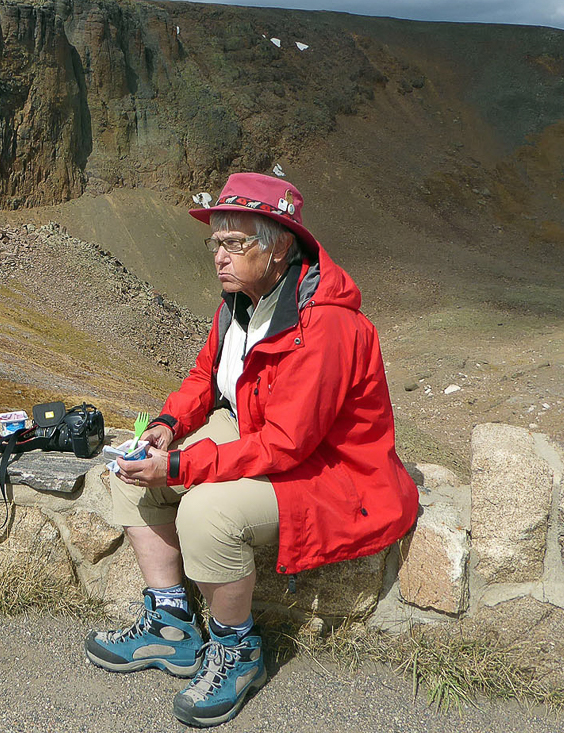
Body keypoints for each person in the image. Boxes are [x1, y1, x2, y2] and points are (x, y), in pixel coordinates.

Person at [84, 171, 419, 728]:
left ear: (280, 245)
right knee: (131, 470)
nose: (219, 255)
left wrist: (184, 464)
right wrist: (169, 424)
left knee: (206, 510)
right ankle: (171, 626)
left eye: (234, 243)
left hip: (333, 472)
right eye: (216, 241)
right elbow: (205, 376)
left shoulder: (325, 327)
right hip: (258, 436)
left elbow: (288, 444)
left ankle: (237, 652)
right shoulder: (240, 300)